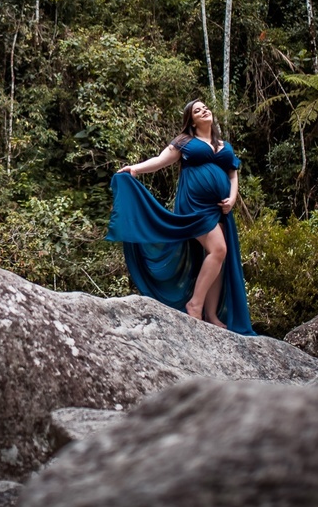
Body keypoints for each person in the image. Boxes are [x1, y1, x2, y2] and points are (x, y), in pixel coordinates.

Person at [106, 100, 256, 335]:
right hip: (194, 206)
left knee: (217, 255)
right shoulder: (185, 141)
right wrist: (135, 169)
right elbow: (160, 160)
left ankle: (212, 314)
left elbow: (232, 175)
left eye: (205, 107)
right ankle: (194, 305)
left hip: (219, 208)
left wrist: (233, 198)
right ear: (192, 121)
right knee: (219, 250)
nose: (204, 111)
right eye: (197, 110)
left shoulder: (224, 145)